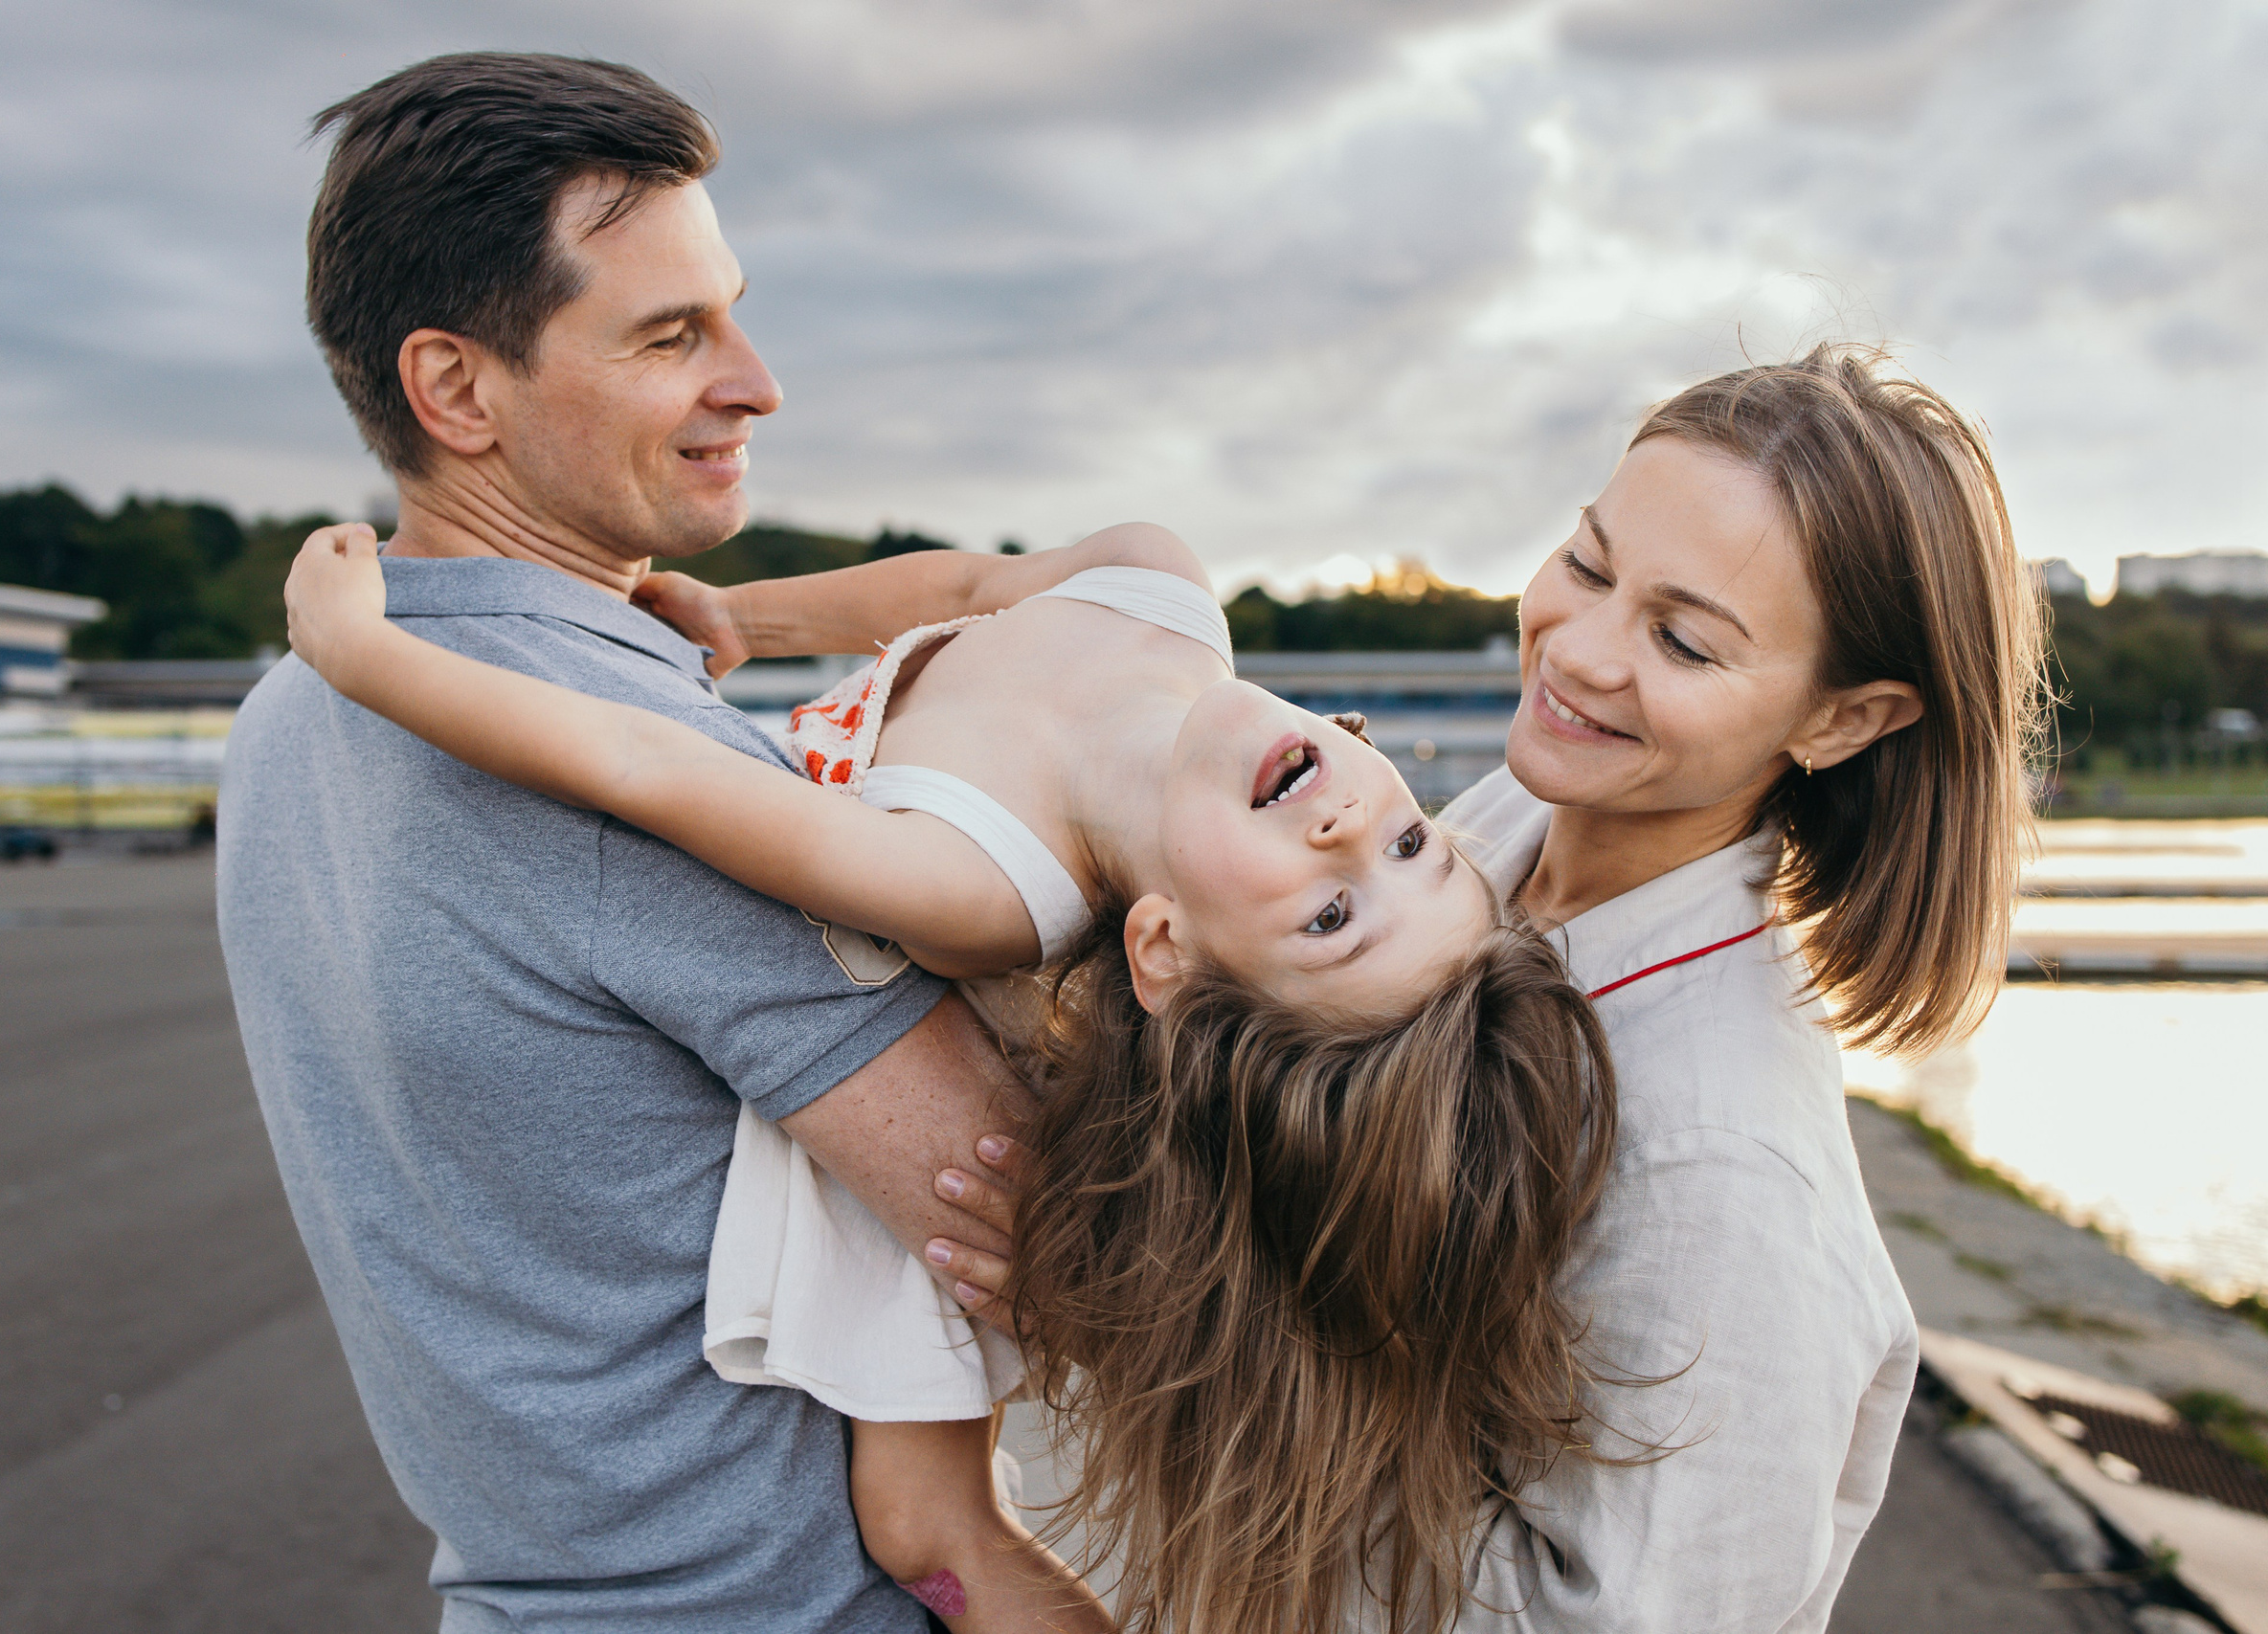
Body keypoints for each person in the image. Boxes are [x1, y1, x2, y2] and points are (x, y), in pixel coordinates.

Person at [282, 498, 1618, 1632]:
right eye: (1410, 853)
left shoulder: (973, 890)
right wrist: (751, 615)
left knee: (925, 1518)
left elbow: (647, 766)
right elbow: (966, 588)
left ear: (1164, 958)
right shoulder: (1159, 581)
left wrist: (362, 658)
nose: (1347, 825)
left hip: (865, 1053)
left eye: (1328, 921)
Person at [942, 344, 2045, 1631]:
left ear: (1843, 720)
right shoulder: (1514, 815)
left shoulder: (1727, 1178)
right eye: (1586, 562)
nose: (1577, 652)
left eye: (1683, 641)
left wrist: (1162, 1318)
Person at [218, 53, 1031, 1634]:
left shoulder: (286, 717)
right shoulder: (622, 768)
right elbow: (1042, 1229)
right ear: (456, 391)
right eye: (674, 335)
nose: (756, 380)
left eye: (728, 308)